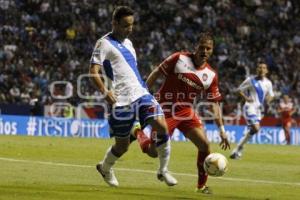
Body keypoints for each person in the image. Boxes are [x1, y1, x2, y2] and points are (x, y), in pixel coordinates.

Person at [89, 6, 177, 187]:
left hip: (141, 94)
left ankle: (163, 170)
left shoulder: (129, 43)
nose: (129, 29)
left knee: (162, 125)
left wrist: (143, 88)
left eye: (132, 25)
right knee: (122, 146)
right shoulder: (103, 43)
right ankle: (105, 168)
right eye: (125, 25)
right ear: (114, 23)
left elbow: (131, 72)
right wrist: (106, 92)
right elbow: (93, 72)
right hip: (120, 101)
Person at [132, 32, 230, 194]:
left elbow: (215, 104)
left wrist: (222, 130)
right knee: (154, 153)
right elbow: (156, 72)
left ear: (211, 51)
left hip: (185, 112)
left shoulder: (211, 76)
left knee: (205, 145)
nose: (204, 51)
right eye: (202, 47)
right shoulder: (178, 58)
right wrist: (143, 94)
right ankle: (138, 132)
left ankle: (201, 186)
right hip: (164, 111)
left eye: (208, 48)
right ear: (195, 47)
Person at [230, 61, 274, 159]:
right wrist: (246, 98)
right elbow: (239, 90)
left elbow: (271, 95)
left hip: (259, 110)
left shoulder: (268, 83)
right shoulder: (250, 80)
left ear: (266, 71)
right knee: (256, 128)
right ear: (257, 69)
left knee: (253, 130)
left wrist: (268, 100)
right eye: (259, 67)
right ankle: (239, 149)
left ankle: (237, 150)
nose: (261, 69)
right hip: (249, 107)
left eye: (263, 68)